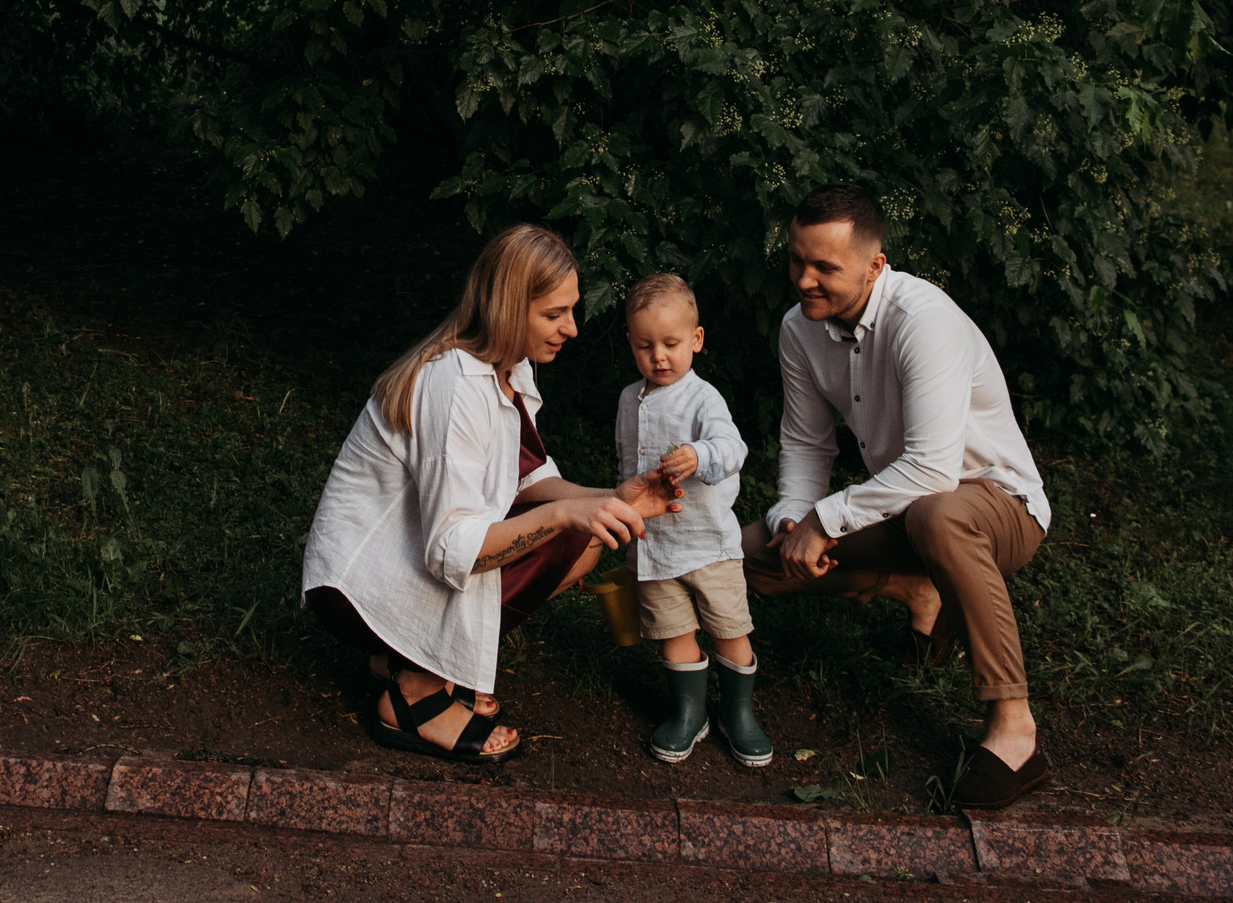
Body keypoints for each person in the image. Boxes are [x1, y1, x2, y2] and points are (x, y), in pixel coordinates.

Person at [301, 224, 680, 764]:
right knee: (567, 533)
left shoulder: (506, 369)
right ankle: (414, 693)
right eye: (554, 315)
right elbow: (451, 547)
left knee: (582, 537)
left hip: (402, 560)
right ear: (507, 307)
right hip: (356, 588)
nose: (572, 329)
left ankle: (406, 658)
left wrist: (614, 498)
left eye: (570, 311)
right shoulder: (455, 384)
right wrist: (567, 514)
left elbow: (528, 480)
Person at [741, 183, 1056, 809]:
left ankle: (1014, 729)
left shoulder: (923, 322)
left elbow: (935, 472)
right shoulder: (799, 329)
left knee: (939, 519)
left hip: (995, 506)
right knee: (749, 554)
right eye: (797, 260)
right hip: (905, 508)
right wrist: (790, 520)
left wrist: (827, 519)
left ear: (874, 265)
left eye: (825, 267)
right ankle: (916, 590)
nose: (805, 280)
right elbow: (806, 445)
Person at [613, 273, 773, 767]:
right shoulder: (627, 399)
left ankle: (739, 714)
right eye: (646, 346)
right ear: (631, 345)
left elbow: (732, 448)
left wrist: (698, 454)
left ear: (696, 341)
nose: (659, 356)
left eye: (671, 343)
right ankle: (690, 712)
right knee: (673, 630)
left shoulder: (703, 398)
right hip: (656, 544)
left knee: (729, 627)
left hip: (707, 544)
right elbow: (625, 464)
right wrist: (624, 517)